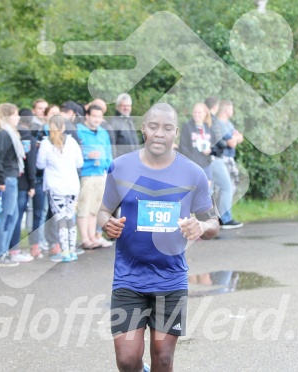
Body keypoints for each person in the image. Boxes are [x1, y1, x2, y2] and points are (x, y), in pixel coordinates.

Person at [98, 103, 220, 372]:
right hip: (129, 277)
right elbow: (104, 211)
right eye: (153, 126)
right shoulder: (120, 167)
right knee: (127, 360)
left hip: (170, 278)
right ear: (144, 129)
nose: (159, 133)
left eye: (167, 128)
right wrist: (107, 223)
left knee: (163, 358)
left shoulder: (193, 173)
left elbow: (214, 221)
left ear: (175, 132)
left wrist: (201, 226)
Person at [36, 115, 83, 262]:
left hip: (55, 187)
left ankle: (64, 252)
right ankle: (72, 249)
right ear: (63, 127)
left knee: (60, 218)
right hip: (72, 185)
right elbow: (79, 163)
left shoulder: (45, 144)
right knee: (70, 217)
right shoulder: (72, 142)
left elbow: (40, 165)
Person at [0, 103, 25, 267]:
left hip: (12, 177)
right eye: (15, 114)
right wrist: (1, 179)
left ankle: (4, 251)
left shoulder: (11, 133)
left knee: (14, 216)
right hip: (6, 179)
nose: (18, 118)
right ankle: (0, 253)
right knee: (6, 216)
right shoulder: (3, 134)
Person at [76, 105, 113, 250]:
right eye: (94, 116)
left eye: (99, 116)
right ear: (87, 116)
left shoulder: (104, 133)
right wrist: (86, 155)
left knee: (94, 209)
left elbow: (108, 153)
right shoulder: (79, 131)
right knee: (84, 208)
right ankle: (84, 239)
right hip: (86, 173)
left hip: (101, 174)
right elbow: (74, 151)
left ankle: (92, 237)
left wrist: (110, 171)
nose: (97, 119)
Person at [205, 97, 243, 230]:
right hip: (217, 158)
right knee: (225, 187)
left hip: (214, 158)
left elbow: (239, 137)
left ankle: (211, 219)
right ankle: (224, 219)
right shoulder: (215, 121)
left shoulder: (212, 120)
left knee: (213, 189)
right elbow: (227, 142)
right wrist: (234, 139)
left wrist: (235, 138)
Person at [8, 108, 36, 262]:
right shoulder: (29, 139)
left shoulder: (9, 135)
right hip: (23, 183)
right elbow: (31, 164)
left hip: (8, 180)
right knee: (17, 217)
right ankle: (14, 249)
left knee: (8, 216)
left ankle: (3, 248)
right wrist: (32, 183)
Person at [178, 102, 216, 186]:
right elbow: (183, 147)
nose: (196, 114)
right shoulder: (187, 127)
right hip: (191, 164)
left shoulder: (209, 128)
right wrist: (192, 159)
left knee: (206, 191)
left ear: (205, 113)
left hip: (206, 163)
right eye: (195, 112)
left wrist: (210, 150)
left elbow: (215, 145)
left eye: (199, 112)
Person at [108, 93, 141, 158]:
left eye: (128, 106)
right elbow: (111, 146)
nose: (126, 108)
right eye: (123, 106)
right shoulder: (114, 122)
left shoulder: (130, 121)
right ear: (117, 107)